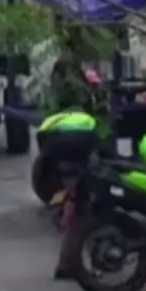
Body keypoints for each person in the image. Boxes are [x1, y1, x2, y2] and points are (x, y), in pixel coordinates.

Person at [36, 108, 100, 279]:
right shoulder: (87, 129)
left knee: (74, 209)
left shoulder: (55, 127)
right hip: (71, 163)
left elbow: (44, 159)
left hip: (62, 164)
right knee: (81, 214)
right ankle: (72, 264)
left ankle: (66, 263)